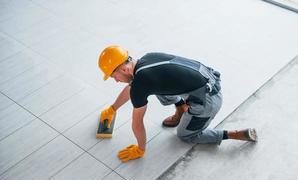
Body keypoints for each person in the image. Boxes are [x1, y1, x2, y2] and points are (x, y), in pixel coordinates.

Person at [99, 45, 257, 163]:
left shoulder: (141, 83)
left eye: (115, 76)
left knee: (185, 135)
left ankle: (232, 134)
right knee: (157, 88)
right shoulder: (147, 59)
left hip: (208, 101)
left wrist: (140, 149)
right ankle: (181, 109)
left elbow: (137, 124)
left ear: (125, 70)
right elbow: (134, 87)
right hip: (208, 81)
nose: (117, 81)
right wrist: (113, 109)